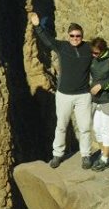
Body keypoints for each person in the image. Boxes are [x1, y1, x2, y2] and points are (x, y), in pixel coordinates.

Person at [29, 11, 95, 169]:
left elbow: (104, 51)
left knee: (85, 128)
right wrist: (37, 26)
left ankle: (86, 155)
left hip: (83, 95)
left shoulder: (88, 48)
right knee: (61, 126)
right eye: (72, 36)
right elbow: (47, 40)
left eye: (78, 36)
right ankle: (57, 155)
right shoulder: (62, 47)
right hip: (64, 95)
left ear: (82, 36)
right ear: (68, 36)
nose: (75, 38)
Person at [89, 37, 109, 171]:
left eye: (96, 53)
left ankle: (105, 158)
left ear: (103, 51)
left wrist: (101, 86)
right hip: (96, 100)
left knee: (105, 129)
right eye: (92, 52)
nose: (93, 55)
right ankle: (104, 153)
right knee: (96, 129)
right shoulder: (93, 57)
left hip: (108, 100)